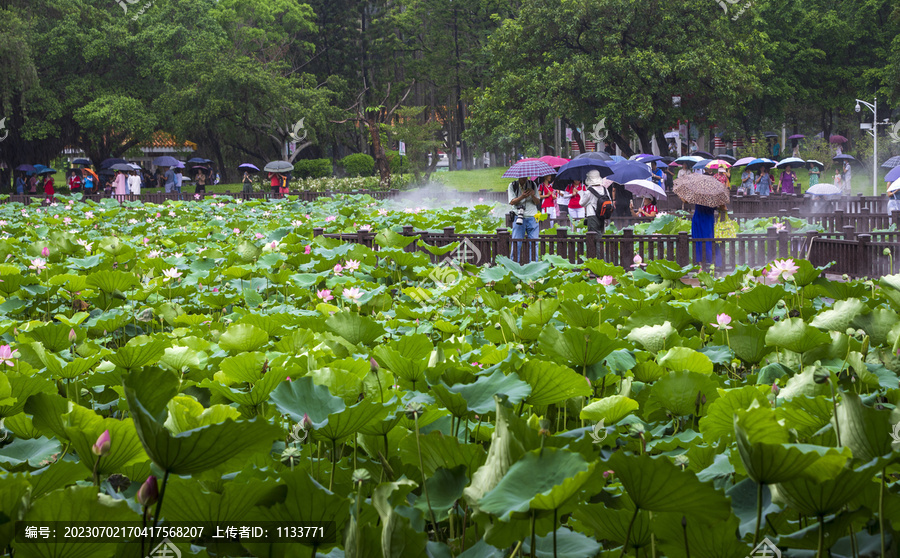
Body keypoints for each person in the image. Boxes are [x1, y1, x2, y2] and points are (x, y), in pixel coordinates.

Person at [508, 176, 540, 263]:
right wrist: (522, 196)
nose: (524, 179)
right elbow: (512, 202)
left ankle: (533, 266)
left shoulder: (533, 184)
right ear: (518, 176)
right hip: (518, 216)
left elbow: (537, 202)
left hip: (532, 216)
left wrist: (532, 195)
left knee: (534, 243)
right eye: (522, 177)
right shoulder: (512, 185)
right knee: (516, 243)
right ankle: (514, 266)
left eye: (525, 177)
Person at [578, 170, 610, 235]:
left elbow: (582, 203)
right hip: (602, 216)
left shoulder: (589, 191)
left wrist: (581, 194)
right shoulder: (605, 189)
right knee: (600, 236)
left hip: (592, 216)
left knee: (593, 237)